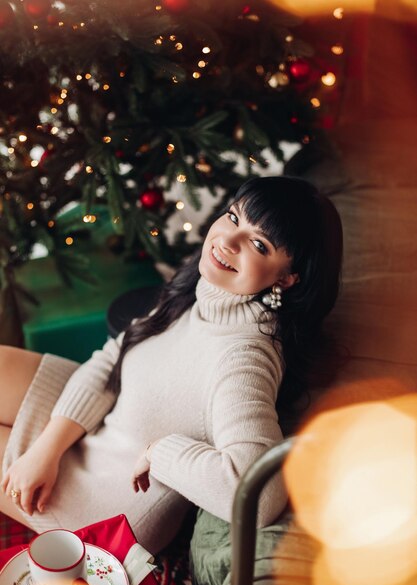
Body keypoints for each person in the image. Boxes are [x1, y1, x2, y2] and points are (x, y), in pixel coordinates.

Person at [0, 176, 343, 555]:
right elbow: (111, 357)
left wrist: (159, 453)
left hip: (104, 499)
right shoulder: (202, 291)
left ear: (288, 278)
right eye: (233, 218)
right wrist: (45, 449)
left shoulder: (245, 357)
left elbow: (259, 496)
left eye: (258, 244)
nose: (228, 241)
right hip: (98, 424)